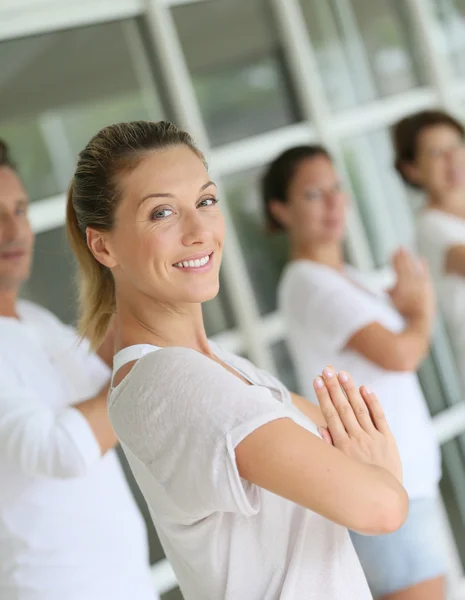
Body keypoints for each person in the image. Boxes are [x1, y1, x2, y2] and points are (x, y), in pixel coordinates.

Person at [65, 119, 409, 600]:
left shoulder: (216, 364)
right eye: (162, 212)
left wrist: (377, 476)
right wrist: (381, 477)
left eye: (205, 201)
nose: (198, 229)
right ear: (102, 245)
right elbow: (380, 506)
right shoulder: (169, 381)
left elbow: (366, 468)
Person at [263, 145, 444, 600]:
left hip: (405, 485)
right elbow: (400, 354)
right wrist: (421, 312)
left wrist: (409, 309)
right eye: (312, 194)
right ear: (280, 210)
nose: (332, 202)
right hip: (384, 486)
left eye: (336, 188)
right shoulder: (308, 282)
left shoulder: (352, 277)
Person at [0, 139, 157, 600]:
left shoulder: (35, 320)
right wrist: (146, 364)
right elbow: (64, 448)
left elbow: (107, 386)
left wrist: (132, 272)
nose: (14, 230)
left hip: (125, 583)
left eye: (21, 210)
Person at [392, 110, 465, 389]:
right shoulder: (431, 227)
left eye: (456, 145)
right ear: (412, 169)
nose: (452, 159)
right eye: (436, 152)